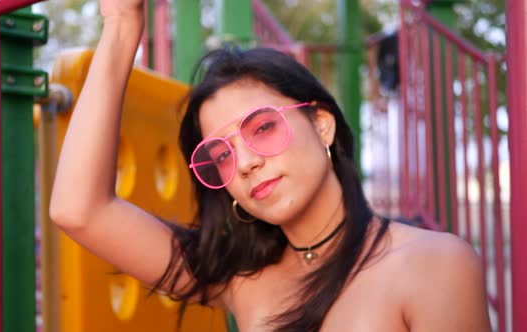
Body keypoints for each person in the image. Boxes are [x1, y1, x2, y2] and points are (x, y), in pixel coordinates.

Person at [49, 0, 491, 331]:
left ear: (321, 125)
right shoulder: (242, 278)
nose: (243, 164)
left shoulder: (434, 264)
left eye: (262, 128)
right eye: (220, 154)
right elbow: (79, 209)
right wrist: (122, 27)